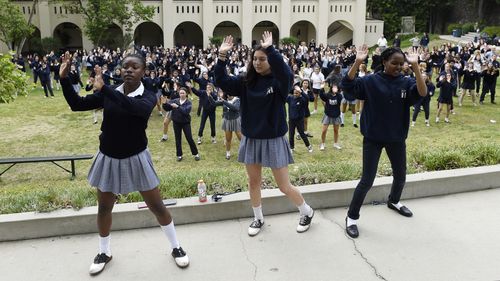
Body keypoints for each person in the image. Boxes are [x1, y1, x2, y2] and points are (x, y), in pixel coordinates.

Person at [59, 52, 190, 275]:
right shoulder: (111, 92)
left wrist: (106, 89)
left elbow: (135, 109)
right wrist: (63, 79)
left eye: (135, 67)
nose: (129, 70)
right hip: (108, 157)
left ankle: (176, 247)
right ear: (120, 70)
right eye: (125, 66)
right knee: (104, 207)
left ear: (143, 71)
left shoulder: (148, 95)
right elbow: (76, 104)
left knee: (157, 206)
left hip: (136, 157)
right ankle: (104, 252)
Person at [215, 32, 315, 236]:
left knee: (284, 186)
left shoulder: (279, 84)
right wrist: (222, 57)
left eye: (263, 59)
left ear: (270, 60)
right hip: (252, 138)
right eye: (255, 59)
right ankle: (258, 218)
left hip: (274, 139)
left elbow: (286, 74)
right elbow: (222, 80)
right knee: (253, 182)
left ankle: (306, 211)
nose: (258, 62)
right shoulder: (245, 82)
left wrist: (271, 49)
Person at [341, 46, 427, 238]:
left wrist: (415, 67)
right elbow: (347, 86)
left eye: (401, 63)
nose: (398, 67)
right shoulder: (371, 81)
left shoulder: (406, 82)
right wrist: (357, 62)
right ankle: (351, 217)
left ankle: (394, 201)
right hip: (373, 138)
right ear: (384, 63)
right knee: (367, 180)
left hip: (396, 137)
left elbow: (422, 92)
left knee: (401, 175)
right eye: (394, 63)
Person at [162, 87, 201, 161]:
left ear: (186, 94)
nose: (181, 94)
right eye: (180, 93)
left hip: (185, 123)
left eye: (183, 93)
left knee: (189, 138)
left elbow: (186, 112)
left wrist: (177, 107)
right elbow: (167, 108)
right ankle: (179, 155)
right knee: (178, 139)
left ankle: (196, 154)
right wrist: (164, 104)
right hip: (176, 122)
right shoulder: (175, 100)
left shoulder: (188, 103)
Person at [215, 89, 242, 160]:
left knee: (240, 138)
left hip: (236, 120)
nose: (230, 95)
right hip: (227, 121)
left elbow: (235, 108)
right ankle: (228, 153)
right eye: (229, 94)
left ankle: (244, 152)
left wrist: (224, 101)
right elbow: (214, 103)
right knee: (228, 139)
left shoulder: (237, 100)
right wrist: (208, 96)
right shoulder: (225, 100)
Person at [286, 85, 313, 153]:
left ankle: (309, 146)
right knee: (291, 134)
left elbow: (307, 98)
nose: (295, 94)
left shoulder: (303, 100)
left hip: (299, 120)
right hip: (291, 120)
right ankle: (291, 148)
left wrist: (301, 90)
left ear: (300, 93)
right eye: (294, 93)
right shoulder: (290, 98)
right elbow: (283, 97)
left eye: (297, 93)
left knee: (302, 133)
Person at [319, 83, 343, 150]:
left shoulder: (339, 96)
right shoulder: (327, 95)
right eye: (333, 87)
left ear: (338, 89)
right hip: (328, 114)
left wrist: (337, 92)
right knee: (324, 130)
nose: (334, 88)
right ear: (331, 88)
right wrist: (322, 88)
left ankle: (335, 144)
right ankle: (323, 144)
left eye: (336, 87)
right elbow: (321, 96)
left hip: (336, 115)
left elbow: (340, 98)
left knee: (336, 130)